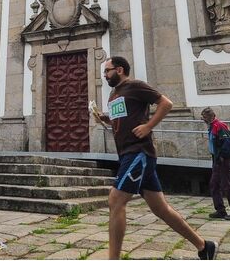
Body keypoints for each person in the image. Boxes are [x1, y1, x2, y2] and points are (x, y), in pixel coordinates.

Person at [93, 56, 218, 260]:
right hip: (126, 153)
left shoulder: (135, 86)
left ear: (120, 70)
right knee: (161, 209)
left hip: (138, 152)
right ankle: (204, 246)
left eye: (107, 71)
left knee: (116, 199)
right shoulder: (114, 94)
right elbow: (122, 118)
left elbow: (165, 103)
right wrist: (105, 118)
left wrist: (149, 126)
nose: (105, 75)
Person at [201, 108, 230, 221]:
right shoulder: (212, 127)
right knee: (214, 184)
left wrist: (222, 157)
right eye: (203, 117)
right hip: (217, 159)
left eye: (205, 117)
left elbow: (228, 143)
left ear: (212, 116)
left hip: (223, 159)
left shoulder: (219, 126)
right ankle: (220, 210)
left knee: (226, 185)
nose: (204, 119)